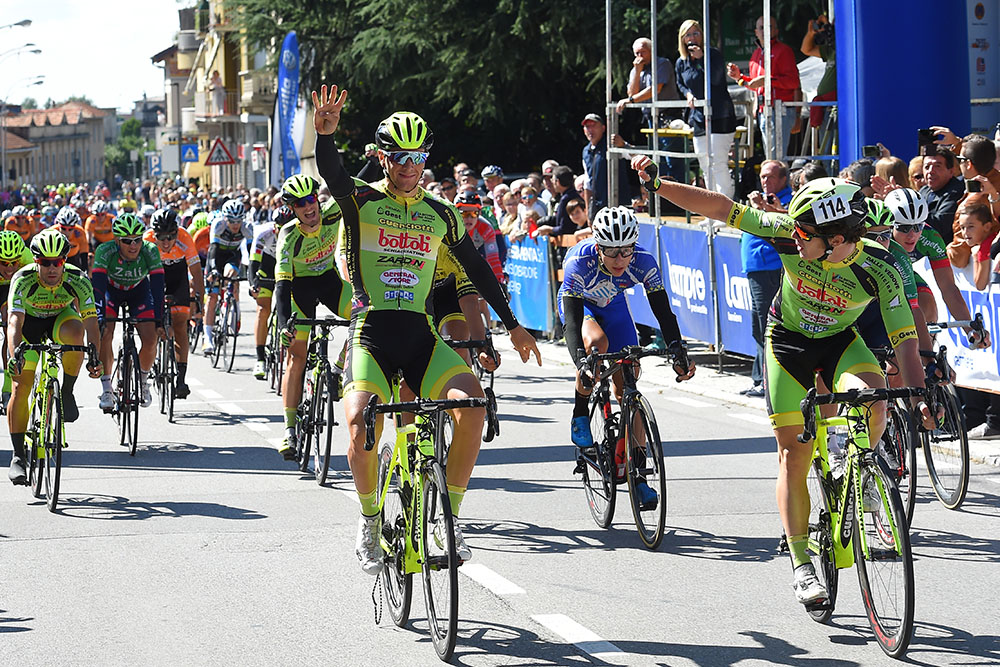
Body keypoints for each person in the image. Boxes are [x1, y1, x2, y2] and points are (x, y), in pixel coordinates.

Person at [632, 158, 936, 606]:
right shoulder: (790, 231)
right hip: (787, 344)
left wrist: (920, 399)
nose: (793, 237)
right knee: (793, 456)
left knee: (876, 401)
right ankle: (801, 565)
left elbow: (905, 342)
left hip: (839, 342)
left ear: (836, 238)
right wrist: (658, 184)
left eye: (803, 234)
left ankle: (864, 466)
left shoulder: (882, 268)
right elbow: (720, 207)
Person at [311, 85, 540, 574]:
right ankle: (371, 519)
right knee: (358, 424)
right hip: (371, 332)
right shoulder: (361, 200)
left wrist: (514, 325)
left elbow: (478, 270)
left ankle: (450, 519)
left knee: (473, 405)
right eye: (398, 157)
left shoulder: (441, 213)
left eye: (417, 157)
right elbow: (331, 173)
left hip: (420, 335)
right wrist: (324, 137)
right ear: (383, 158)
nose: (409, 166)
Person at [559, 206, 694, 495]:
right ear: (598, 247)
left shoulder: (643, 261)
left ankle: (639, 476)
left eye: (626, 250)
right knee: (597, 347)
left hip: (613, 305)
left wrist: (677, 349)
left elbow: (663, 312)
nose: (620, 259)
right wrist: (581, 362)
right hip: (583, 307)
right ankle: (580, 414)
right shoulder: (579, 263)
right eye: (611, 251)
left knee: (629, 376)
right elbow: (571, 321)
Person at [6, 229, 103, 484]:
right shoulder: (22, 279)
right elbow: (14, 321)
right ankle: (18, 456)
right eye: (45, 263)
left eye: (57, 262)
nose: (52, 268)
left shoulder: (78, 278)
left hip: (59, 319)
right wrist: (14, 352)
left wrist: (95, 356)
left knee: (76, 332)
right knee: (20, 386)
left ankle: (67, 391)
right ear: (36, 261)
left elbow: (91, 320)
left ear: (64, 261)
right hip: (29, 326)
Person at [272, 174, 353, 460]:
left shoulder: (332, 213)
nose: (309, 208)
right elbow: (282, 287)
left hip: (330, 283)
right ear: (292, 209)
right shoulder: (289, 236)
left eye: (311, 200)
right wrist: (284, 325)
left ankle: (338, 368)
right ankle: (290, 430)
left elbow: (351, 184)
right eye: (300, 204)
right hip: (299, 292)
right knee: (297, 358)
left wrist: (371, 160)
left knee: (365, 314)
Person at [884, 187, 989, 346]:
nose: (912, 235)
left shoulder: (929, 237)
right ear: (889, 225)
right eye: (904, 228)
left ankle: (924, 361)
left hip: (903, 272)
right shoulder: (877, 235)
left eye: (918, 226)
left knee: (927, 304)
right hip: (874, 274)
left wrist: (969, 328)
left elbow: (948, 288)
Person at [92, 213, 166, 411]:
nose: (133, 246)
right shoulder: (104, 251)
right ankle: (107, 387)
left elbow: (158, 286)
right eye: (127, 241)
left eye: (137, 240)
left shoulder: (150, 250)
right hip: (111, 291)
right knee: (105, 332)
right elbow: (97, 287)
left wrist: (159, 318)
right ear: (117, 240)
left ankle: (142, 380)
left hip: (139, 291)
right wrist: (99, 316)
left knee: (151, 339)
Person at [740, 159, 791, 397]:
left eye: (770, 177)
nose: (765, 181)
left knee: (767, 327)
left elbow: (781, 227)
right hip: (756, 269)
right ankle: (759, 378)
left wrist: (766, 210)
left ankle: (769, 382)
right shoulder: (760, 199)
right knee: (757, 327)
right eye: (762, 177)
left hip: (771, 268)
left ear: (783, 179)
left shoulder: (787, 201)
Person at [143, 208, 205, 399]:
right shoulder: (147, 241)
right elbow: (140, 274)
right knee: (151, 327)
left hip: (178, 278)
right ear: (154, 234)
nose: (166, 242)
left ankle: (180, 379)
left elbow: (195, 272)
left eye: (171, 236)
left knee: (180, 325)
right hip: (154, 276)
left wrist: (199, 300)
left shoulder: (185, 238)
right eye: (161, 237)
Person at [675, 19, 738, 197]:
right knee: (704, 163)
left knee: (717, 162)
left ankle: (726, 207)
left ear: (702, 35)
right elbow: (681, 83)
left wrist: (701, 58)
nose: (692, 37)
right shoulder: (681, 62)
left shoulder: (712, 55)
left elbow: (717, 79)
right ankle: (712, 207)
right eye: (688, 34)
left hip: (720, 115)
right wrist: (688, 94)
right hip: (698, 118)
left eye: (696, 33)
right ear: (683, 39)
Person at [727, 16, 801, 159]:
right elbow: (756, 85)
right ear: (755, 32)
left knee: (776, 158)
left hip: (780, 110)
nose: (765, 30)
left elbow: (793, 82)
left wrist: (768, 81)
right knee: (771, 158)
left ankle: (781, 181)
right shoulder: (755, 55)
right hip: (763, 112)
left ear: (776, 31)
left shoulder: (784, 51)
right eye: (761, 27)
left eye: (769, 26)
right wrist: (739, 78)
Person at [615, 37, 685, 184]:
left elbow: (655, 89)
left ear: (651, 51)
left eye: (643, 52)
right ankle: (664, 199)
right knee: (658, 162)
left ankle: (680, 200)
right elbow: (631, 93)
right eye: (636, 53)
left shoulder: (662, 64)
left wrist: (631, 101)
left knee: (672, 160)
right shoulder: (636, 69)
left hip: (669, 118)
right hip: (651, 120)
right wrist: (637, 71)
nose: (639, 57)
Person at [248, 205, 293, 380]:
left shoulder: (295, 232)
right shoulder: (264, 233)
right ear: (275, 226)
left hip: (288, 265)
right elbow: (253, 263)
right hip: (267, 265)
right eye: (280, 228)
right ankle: (260, 358)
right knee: (263, 309)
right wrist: (253, 284)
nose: (282, 231)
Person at [202, 200, 252, 356]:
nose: (235, 224)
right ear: (225, 219)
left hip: (232, 256)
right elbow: (213, 250)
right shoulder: (219, 225)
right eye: (231, 221)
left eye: (239, 221)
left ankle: (233, 308)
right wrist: (214, 270)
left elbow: (251, 254)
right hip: (216, 257)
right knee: (212, 297)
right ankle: (207, 338)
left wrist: (252, 273)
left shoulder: (247, 228)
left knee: (232, 276)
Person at [0, 231, 35, 406]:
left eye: (14, 262)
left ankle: (7, 386)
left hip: (16, 287)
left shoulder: (27, 258)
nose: (9, 267)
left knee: (10, 323)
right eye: (4, 263)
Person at [917, 146, 964, 244]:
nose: (931, 171)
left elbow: (939, 226)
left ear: (951, 171)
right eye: (927, 167)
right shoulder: (924, 190)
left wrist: (910, 207)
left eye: (937, 166)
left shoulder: (956, 192)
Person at [53, 208, 89, 272]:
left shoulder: (80, 232)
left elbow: (84, 252)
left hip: (74, 258)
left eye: (70, 229)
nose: (67, 233)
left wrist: (84, 269)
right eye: (63, 229)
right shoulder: (52, 232)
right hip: (56, 259)